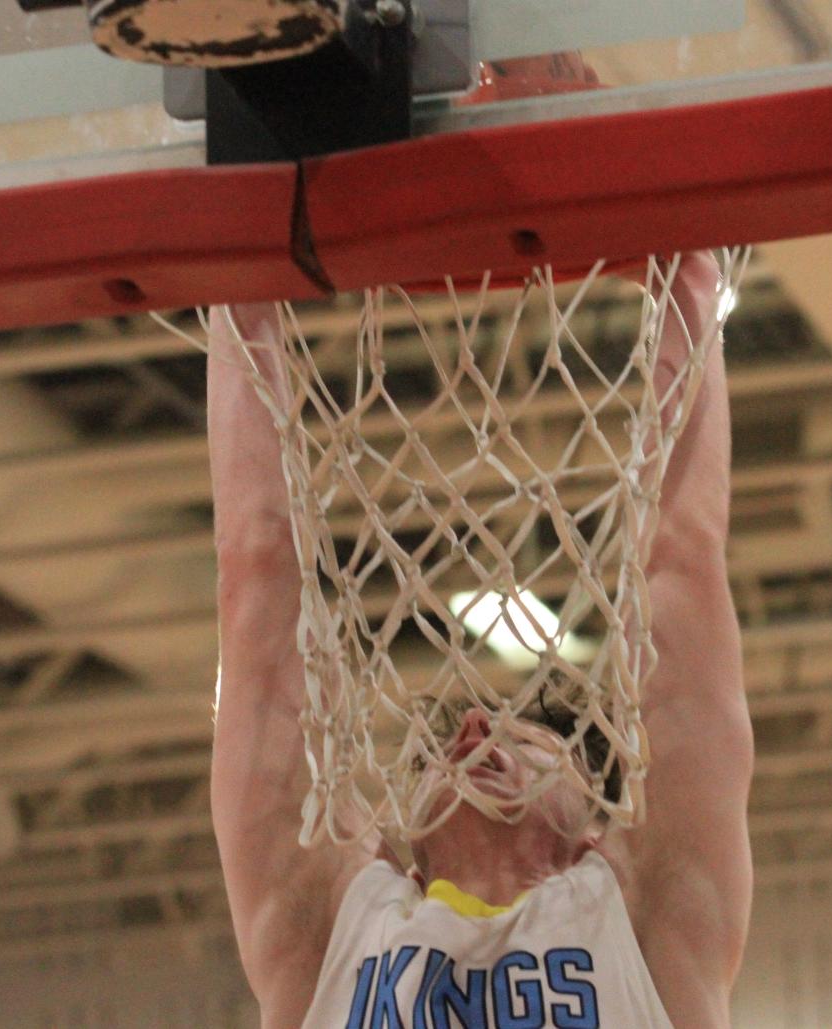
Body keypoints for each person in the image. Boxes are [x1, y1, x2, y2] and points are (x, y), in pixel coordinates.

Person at [207, 251, 754, 1028]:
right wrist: (237, 286)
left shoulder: (646, 917)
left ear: (593, 828)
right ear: (401, 847)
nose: (471, 730)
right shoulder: (330, 925)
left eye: (530, 740)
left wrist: (237, 287)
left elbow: (686, 569)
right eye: (452, 744)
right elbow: (253, 577)